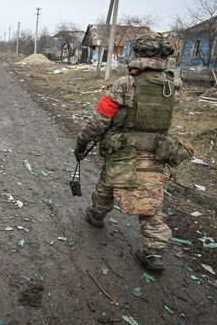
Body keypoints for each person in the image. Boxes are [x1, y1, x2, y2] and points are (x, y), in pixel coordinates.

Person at [75, 32, 190, 272]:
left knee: (109, 181)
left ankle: (96, 215)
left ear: (137, 54)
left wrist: (82, 142)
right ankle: (154, 252)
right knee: (150, 197)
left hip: (123, 148)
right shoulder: (173, 84)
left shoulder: (126, 83)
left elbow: (100, 120)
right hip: (156, 150)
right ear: (163, 56)